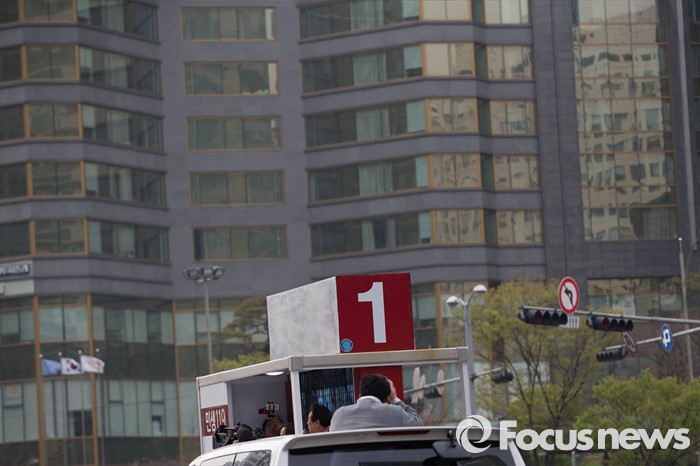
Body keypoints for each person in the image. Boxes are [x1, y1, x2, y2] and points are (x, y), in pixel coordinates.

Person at [329, 374, 423, 431]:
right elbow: (417, 424)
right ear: (387, 399)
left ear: (360, 394)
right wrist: (394, 398)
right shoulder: (394, 412)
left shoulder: (338, 414)